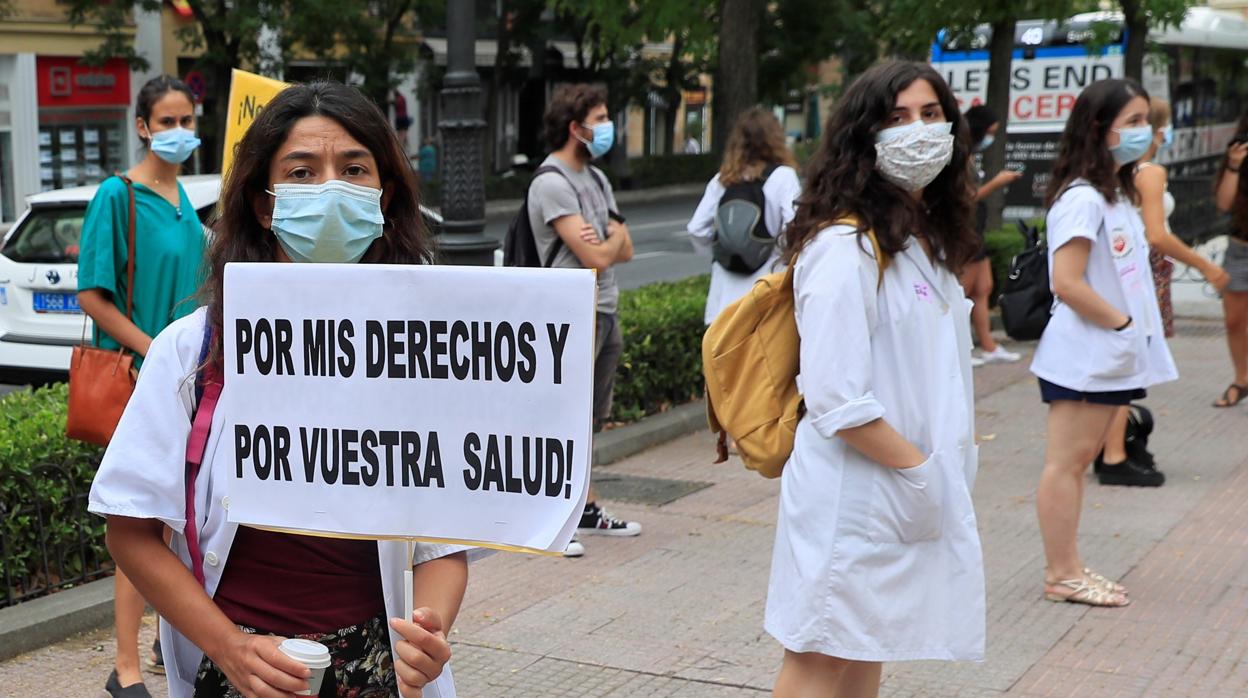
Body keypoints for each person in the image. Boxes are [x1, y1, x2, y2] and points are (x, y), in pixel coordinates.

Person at [88, 81, 467, 698]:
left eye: (353, 169)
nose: (329, 189)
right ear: (265, 205)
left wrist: (430, 632)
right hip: (238, 666)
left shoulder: (421, 351)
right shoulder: (190, 351)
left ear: (384, 194)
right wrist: (227, 648)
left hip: (378, 666)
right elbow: (129, 528)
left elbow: (442, 541)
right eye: (301, 171)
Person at [766, 61, 986, 697]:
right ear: (864, 136)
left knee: (866, 648)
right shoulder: (845, 246)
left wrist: (931, 476)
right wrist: (920, 469)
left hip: (899, 488)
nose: (917, 131)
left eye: (930, 114)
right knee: (819, 654)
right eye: (895, 119)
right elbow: (836, 395)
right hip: (857, 491)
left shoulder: (920, 240)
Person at [77, 74, 207, 698]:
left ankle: (164, 641)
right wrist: (152, 347)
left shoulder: (187, 203)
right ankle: (125, 667)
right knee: (143, 521)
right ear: (143, 126)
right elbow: (91, 295)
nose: (180, 131)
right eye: (168, 121)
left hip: (188, 381)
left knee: (182, 521)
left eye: (188, 119)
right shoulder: (117, 194)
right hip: (140, 376)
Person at [1031, 78, 1177, 607]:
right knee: (1065, 464)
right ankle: (1061, 574)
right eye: (1134, 122)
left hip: (1105, 355)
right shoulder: (1082, 198)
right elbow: (1066, 281)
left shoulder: (1110, 194)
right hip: (1086, 356)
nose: (1146, 133)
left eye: (1146, 122)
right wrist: (1120, 326)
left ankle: (1068, 565)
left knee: (1074, 464)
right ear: (1100, 128)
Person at [526, 84, 640, 557]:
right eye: (600, 117)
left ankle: (586, 508)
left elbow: (624, 248)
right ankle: (553, 519)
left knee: (588, 418)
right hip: (570, 313)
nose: (607, 126)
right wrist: (605, 245)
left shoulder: (596, 179)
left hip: (605, 307)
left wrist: (606, 246)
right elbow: (594, 254)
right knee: (560, 419)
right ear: (576, 128)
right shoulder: (551, 182)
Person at [1096, 98, 1230, 486]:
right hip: (1144, 270)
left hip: (1125, 266)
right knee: (1132, 360)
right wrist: (1204, 264)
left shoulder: (1118, 171)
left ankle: (1109, 446)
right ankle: (1115, 453)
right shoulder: (1149, 172)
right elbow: (1158, 235)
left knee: (1124, 359)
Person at [687, 106, 801, 324]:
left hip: (723, 302)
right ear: (775, 138)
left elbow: (696, 229)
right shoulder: (783, 177)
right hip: (767, 299)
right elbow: (796, 230)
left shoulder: (723, 180)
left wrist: (723, 252)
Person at [961, 105, 1023, 367]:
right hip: (965, 229)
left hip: (976, 229)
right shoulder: (960, 154)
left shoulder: (970, 154)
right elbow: (967, 197)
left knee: (983, 287)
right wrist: (997, 183)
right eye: (989, 132)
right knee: (963, 290)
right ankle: (960, 347)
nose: (991, 138)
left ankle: (987, 344)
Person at [1213, 110, 1248, 408]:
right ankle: (1241, 379)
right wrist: (1234, 166)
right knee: (1235, 321)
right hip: (1241, 248)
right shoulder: (1239, 154)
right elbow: (1224, 203)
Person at [393, 89, 412, 154]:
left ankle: (400, 146)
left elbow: (391, 102)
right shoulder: (403, 98)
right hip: (404, 117)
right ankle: (405, 145)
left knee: (400, 133)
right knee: (404, 132)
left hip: (400, 118)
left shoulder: (397, 99)